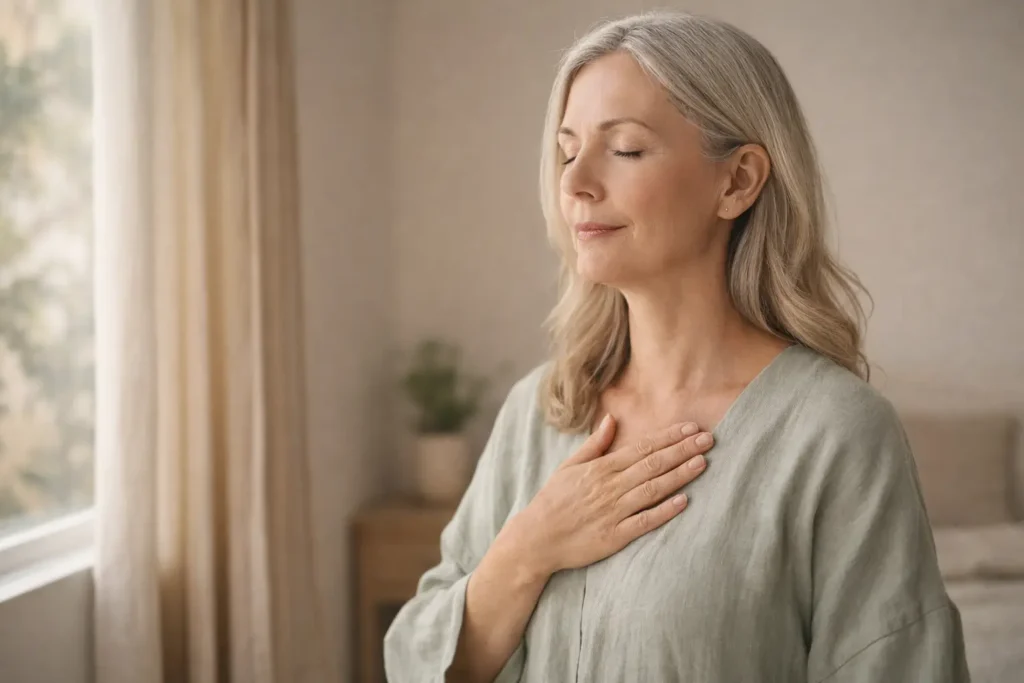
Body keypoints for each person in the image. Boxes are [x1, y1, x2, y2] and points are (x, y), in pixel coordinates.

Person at [383, 10, 970, 683]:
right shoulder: (542, 410)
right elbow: (420, 663)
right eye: (567, 149)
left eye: (625, 148)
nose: (574, 183)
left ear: (738, 180)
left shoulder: (837, 434)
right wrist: (528, 548)